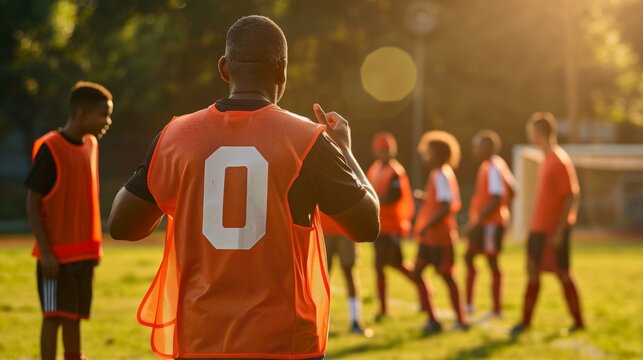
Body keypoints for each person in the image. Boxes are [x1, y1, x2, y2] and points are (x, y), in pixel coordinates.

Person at [108, 15, 379, 360]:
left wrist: (169, 174)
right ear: (282, 70)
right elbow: (368, 224)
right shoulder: (307, 140)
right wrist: (345, 151)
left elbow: (122, 225)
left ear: (224, 68)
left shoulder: (175, 136)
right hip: (284, 343)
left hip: (201, 339)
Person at [24, 81, 113, 360]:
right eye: (103, 114)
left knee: (74, 316)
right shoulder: (51, 148)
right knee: (53, 316)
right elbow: (33, 202)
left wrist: (94, 249)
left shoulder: (91, 145)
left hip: (83, 254)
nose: (107, 121)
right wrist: (47, 254)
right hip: (56, 259)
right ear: (82, 114)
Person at [511, 112, 584, 336]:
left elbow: (572, 195)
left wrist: (561, 231)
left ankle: (578, 322)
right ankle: (525, 323)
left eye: (531, 130)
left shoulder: (559, 159)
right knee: (532, 270)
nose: (529, 134)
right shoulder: (545, 159)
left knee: (562, 273)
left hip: (552, 231)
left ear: (538, 132)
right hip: (539, 229)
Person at [366, 132, 431, 322]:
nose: (384, 154)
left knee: (398, 265)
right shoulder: (376, 168)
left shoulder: (395, 171)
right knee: (380, 267)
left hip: (392, 227)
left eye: (386, 150)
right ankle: (384, 308)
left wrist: (373, 200)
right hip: (379, 227)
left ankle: (424, 294)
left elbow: (393, 197)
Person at [413, 130, 468, 332]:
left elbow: (446, 205)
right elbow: (439, 201)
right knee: (417, 272)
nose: (425, 154)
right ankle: (433, 320)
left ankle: (461, 320)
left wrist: (427, 225)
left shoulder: (440, 174)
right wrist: (426, 199)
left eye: (428, 151)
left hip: (440, 237)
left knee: (447, 276)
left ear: (437, 153)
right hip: (430, 239)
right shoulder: (440, 173)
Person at [462, 130, 517, 317]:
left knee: (491, 262)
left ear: (487, 147)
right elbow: (513, 190)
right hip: (488, 223)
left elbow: (496, 197)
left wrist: (477, 221)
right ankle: (470, 304)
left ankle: (496, 309)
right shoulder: (497, 164)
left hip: (490, 224)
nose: (475, 150)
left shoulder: (493, 167)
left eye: (477, 146)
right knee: (469, 257)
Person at [319, 214, 370, 336]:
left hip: (345, 227)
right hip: (325, 227)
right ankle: (317, 322)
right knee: (322, 275)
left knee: (348, 272)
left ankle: (355, 320)